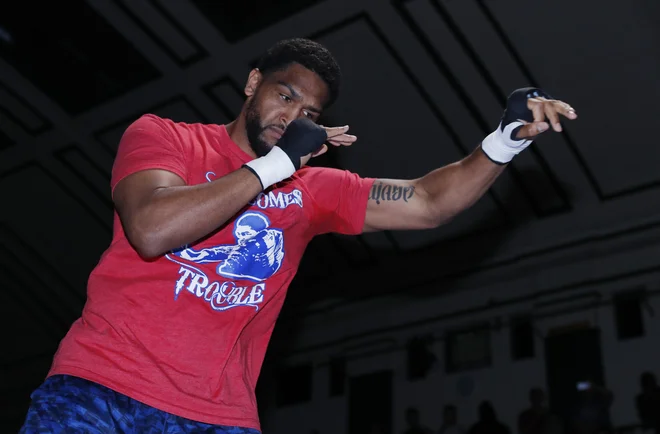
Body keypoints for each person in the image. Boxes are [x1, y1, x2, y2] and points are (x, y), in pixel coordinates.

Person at [19, 37, 577, 433]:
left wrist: (503, 140)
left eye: (309, 111)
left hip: (217, 415)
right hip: (99, 390)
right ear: (252, 82)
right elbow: (150, 227)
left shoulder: (310, 189)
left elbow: (430, 202)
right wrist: (274, 166)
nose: (292, 116)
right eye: (285, 96)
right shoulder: (167, 138)